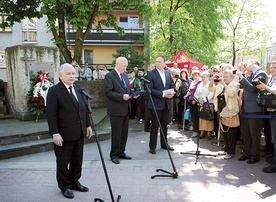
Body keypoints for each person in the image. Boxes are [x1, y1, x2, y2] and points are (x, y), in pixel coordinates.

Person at [46, 63, 93, 199]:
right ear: (61, 76)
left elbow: (83, 109)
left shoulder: (78, 89)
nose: (72, 76)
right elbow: (51, 115)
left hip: (79, 133)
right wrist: (55, 133)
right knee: (63, 162)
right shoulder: (54, 91)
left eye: (73, 73)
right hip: (63, 134)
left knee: (77, 160)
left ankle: (74, 181)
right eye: (68, 74)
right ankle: (64, 186)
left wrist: (88, 125)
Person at [104, 57, 138, 164]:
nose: (125, 68)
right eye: (124, 66)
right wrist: (121, 96)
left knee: (124, 133)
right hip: (116, 110)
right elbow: (108, 92)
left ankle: (121, 152)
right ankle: (114, 154)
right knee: (116, 134)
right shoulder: (109, 76)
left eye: (126, 66)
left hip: (126, 109)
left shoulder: (124, 75)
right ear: (117, 64)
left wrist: (132, 95)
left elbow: (126, 90)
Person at [236, 59, 268, 164]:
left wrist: (241, 76)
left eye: (247, 63)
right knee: (246, 133)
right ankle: (247, 153)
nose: (245, 66)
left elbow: (252, 89)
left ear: (253, 63)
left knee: (254, 134)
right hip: (246, 108)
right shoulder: (252, 75)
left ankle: (255, 156)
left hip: (255, 109)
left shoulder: (261, 73)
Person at [146, 55, 175, 154]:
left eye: (159, 62)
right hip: (156, 104)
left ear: (164, 63)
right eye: (156, 61)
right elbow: (150, 89)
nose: (157, 63)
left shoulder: (167, 73)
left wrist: (171, 93)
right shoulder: (151, 74)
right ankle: (152, 146)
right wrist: (163, 94)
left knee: (164, 126)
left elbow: (171, 85)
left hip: (166, 104)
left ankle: (164, 144)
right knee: (154, 126)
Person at [209, 70, 240, 159]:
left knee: (230, 133)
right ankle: (226, 149)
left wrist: (225, 85)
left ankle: (231, 152)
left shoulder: (235, 85)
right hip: (221, 111)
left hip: (230, 111)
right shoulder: (220, 85)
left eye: (227, 77)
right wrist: (211, 83)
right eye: (224, 77)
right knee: (224, 132)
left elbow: (231, 93)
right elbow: (212, 89)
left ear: (232, 77)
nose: (225, 79)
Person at [256, 60, 276, 173]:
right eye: (271, 67)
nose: (271, 69)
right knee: (273, 139)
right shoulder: (272, 78)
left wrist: (265, 87)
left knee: (275, 140)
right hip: (271, 112)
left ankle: (274, 164)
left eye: (274, 67)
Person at [194, 71, 215, 140]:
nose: (202, 78)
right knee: (202, 118)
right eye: (202, 77)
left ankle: (209, 134)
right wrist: (198, 99)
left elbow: (211, 94)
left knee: (208, 118)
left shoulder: (210, 84)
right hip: (201, 104)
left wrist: (204, 100)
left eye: (204, 77)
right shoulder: (200, 84)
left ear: (208, 77)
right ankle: (202, 133)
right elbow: (196, 93)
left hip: (208, 103)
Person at [183, 70, 202, 138]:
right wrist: (186, 95)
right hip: (190, 100)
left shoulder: (200, 82)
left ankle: (196, 131)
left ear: (199, 75)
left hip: (196, 101)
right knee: (192, 115)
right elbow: (190, 90)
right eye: (193, 75)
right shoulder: (193, 82)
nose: (194, 77)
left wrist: (195, 100)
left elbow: (199, 92)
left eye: (196, 75)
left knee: (195, 116)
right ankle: (194, 129)